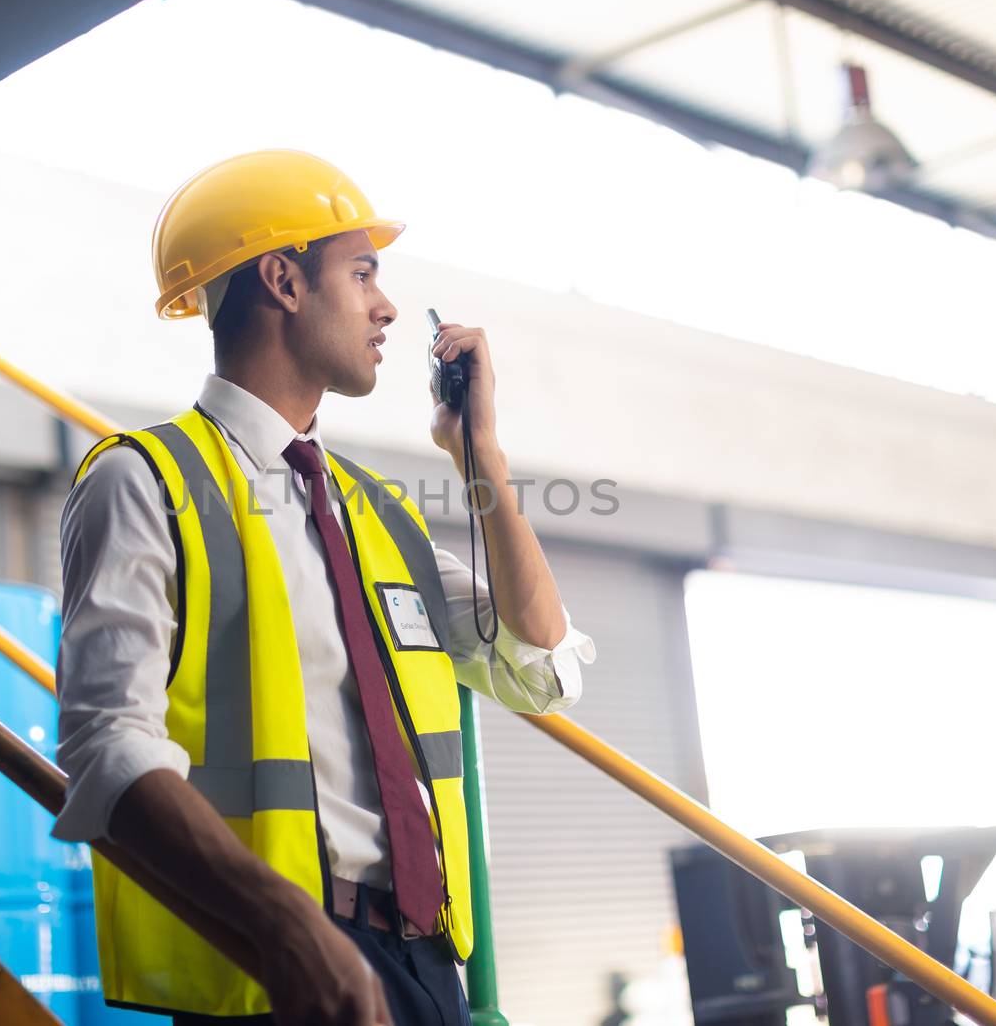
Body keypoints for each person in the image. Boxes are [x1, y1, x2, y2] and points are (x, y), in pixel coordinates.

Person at [53, 149, 596, 1025]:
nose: (385, 306)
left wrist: (478, 456)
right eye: (362, 271)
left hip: (425, 963)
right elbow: (108, 748)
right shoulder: (143, 481)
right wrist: (291, 933)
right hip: (275, 967)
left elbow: (537, 661)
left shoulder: (374, 511)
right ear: (283, 280)